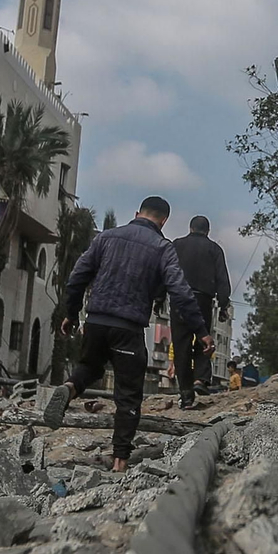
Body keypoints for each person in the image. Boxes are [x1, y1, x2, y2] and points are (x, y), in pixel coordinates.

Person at [43, 195, 210, 471]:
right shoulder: (162, 248)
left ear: (137, 213)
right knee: (129, 394)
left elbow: (77, 277)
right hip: (128, 329)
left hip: (95, 321)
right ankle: (120, 462)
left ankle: (70, 387)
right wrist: (200, 331)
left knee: (90, 366)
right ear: (164, 220)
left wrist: (71, 314)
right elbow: (180, 293)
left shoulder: (106, 237)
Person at [171, 214, 231, 408]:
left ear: (190, 228)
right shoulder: (215, 249)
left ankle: (185, 391)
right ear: (207, 231)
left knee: (181, 345)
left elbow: (166, 270)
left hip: (179, 299)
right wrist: (223, 304)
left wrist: (158, 298)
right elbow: (222, 279)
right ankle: (200, 380)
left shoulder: (177, 245)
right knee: (203, 339)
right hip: (203, 300)